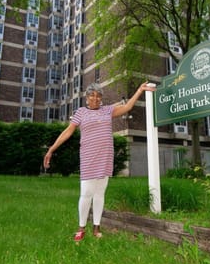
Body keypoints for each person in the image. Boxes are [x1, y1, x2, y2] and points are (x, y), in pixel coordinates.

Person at [43, 81, 156, 242]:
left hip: (105, 157)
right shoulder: (81, 113)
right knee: (86, 194)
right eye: (92, 95)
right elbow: (68, 132)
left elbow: (127, 107)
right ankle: (81, 228)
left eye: (98, 96)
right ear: (87, 98)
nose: (95, 98)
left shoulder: (107, 110)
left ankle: (97, 227)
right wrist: (51, 149)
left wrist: (139, 90)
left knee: (99, 193)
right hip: (89, 158)